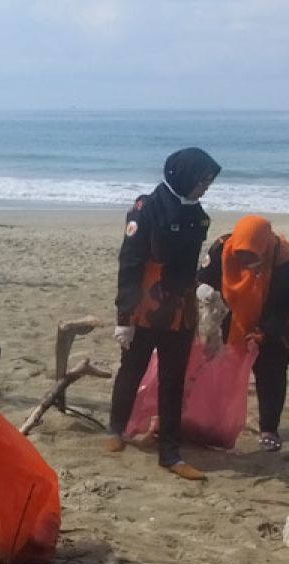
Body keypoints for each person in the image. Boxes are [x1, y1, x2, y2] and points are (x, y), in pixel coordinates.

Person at [106, 147, 220, 480]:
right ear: (182, 176)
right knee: (133, 369)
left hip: (181, 313)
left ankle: (170, 452)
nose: (205, 187)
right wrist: (123, 318)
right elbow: (129, 264)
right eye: (202, 180)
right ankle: (116, 428)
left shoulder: (198, 216)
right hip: (145, 308)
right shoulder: (146, 210)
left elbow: (190, 266)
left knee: (173, 381)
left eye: (209, 182)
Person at [197, 215, 289, 452]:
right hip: (230, 315)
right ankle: (212, 421)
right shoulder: (222, 248)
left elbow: (283, 305)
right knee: (219, 368)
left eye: (251, 255)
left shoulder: (283, 260)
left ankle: (269, 428)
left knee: (272, 372)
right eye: (241, 253)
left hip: (270, 321)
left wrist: (265, 331)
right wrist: (204, 290)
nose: (244, 258)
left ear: (264, 248)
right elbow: (203, 278)